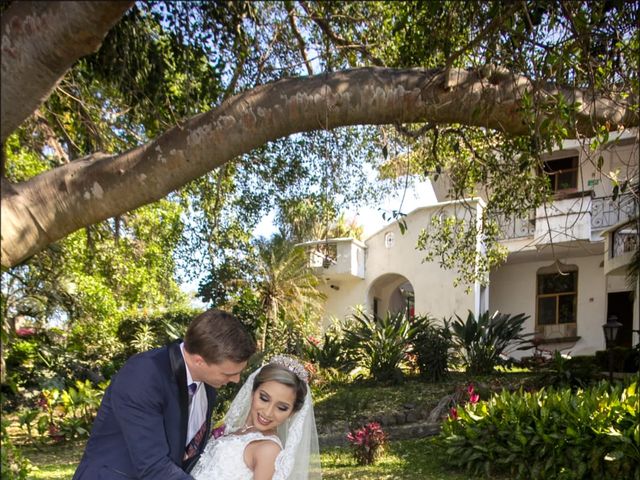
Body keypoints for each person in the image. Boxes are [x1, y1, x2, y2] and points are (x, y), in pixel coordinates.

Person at [73, 308, 256, 480]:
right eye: (228, 374)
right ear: (199, 361)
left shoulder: (208, 383)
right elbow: (152, 465)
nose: (237, 380)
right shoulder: (143, 374)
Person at [191, 355, 322, 480]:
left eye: (281, 407)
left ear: (292, 413)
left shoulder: (268, 450)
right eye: (264, 398)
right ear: (253, 392)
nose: (268, 412)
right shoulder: (239, 429)